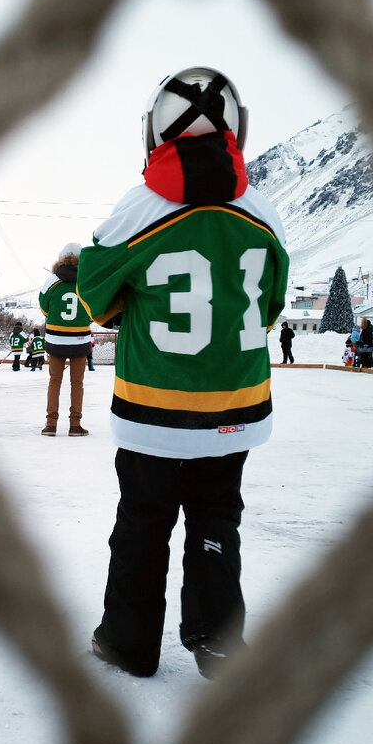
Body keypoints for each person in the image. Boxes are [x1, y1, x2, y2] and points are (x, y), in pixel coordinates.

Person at [77, 66, 289, 679]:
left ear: (154, 130)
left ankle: (128, 640)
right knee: (217, 516)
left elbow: (96, 291)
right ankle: (218, 637)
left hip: (153, 407)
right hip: (235, 405)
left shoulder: (137, 208)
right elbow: (271, 305)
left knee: (143, 521)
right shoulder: (263, 211)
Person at [39, 242, 94, 436]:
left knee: (55, 381)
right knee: (77, 383)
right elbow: (93, 309)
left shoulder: (52, 280)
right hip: (80, 339)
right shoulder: (87, 279)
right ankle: (75, 425)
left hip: (55, 340)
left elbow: (44, 307)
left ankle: (51, 424)